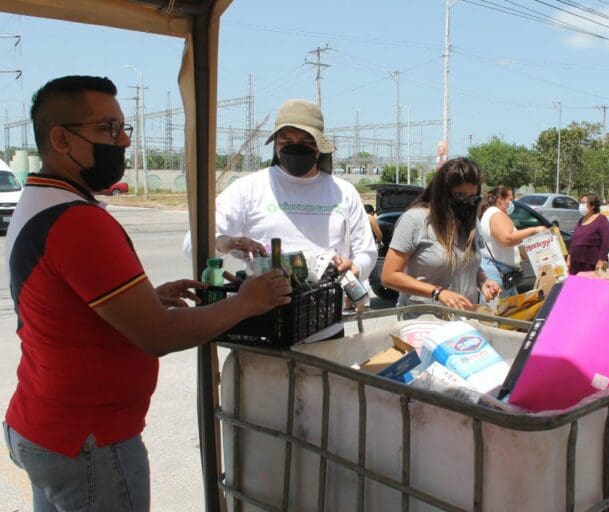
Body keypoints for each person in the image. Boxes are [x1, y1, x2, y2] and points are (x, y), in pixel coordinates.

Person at [2, 76, 292, 512]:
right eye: (106, 130)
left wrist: (144, 298)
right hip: (89, 442)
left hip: (46, 425)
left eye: (123, 129)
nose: (122, 142)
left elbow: (65, 304)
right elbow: (159, 336)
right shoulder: (79, 222)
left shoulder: (39, 200)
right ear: (60, 139)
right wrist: (247, 302)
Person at [184, 98, 377, 330]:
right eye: (286, 140)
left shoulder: (343, 192)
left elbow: (367, 251)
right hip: (262, 325)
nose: (295, 147)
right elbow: (190, 244)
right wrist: (225, 242)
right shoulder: (249, 188)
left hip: (325, 323)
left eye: (306, 141)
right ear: (275, 143)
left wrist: (354, 268)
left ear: (319, 145)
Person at [381, 157, 500, 309]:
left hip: (463, 322)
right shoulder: (415, 220)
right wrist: (438, 293)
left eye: (472, 198)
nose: (466, 203)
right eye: (460, 196)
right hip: (424, 322)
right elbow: (389, 276)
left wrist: (483, 282)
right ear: (443, 194)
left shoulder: (470, 223)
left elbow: (464, 263)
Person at [476, 185, 546, 298]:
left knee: (509, 313)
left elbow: (509, 243)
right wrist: (534, 230)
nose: (512, 204)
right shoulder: (496, 214)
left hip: (504, 275)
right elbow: (507, 239)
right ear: (500, 200)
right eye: (510, 199)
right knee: (498, 313)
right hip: (498, 274)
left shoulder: (493, 214)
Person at [567, 194, 609, 275]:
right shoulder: (581, 220)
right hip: (576, 264)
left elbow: (606, 241)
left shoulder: (601, 220)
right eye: (580, 202)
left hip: (590, 264)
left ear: (593, 206)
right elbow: (575, 239)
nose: (581, 205)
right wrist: (570, 255)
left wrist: (601, 260)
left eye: (584, 203)